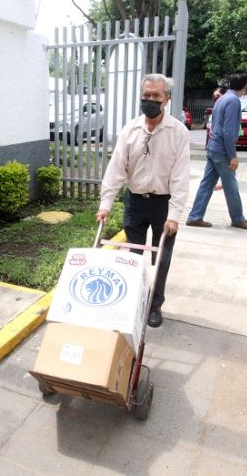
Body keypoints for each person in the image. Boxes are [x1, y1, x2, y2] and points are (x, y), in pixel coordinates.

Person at [95, 73, 191, 328]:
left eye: (156, 96)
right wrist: (106, 204)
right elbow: (116, 167)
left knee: (162, 258)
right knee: (132, 257)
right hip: (135, 201)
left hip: (163, 204)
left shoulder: (178, 132)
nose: (150, 100)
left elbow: (181, 177)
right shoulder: (131, 129)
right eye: (146, 95)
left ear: (166, 99)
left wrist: (174, 215)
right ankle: (132, 302)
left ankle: (154, 305)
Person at [185, 71, 247, 230]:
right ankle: (238, 218)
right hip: (222, 150)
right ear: (244, 86)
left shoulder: (222, 98)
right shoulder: (233, 101)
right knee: (231, 185)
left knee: (207, 184)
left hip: (213, 147)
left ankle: (195, 216)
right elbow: (228, 131)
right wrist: (233, 156)